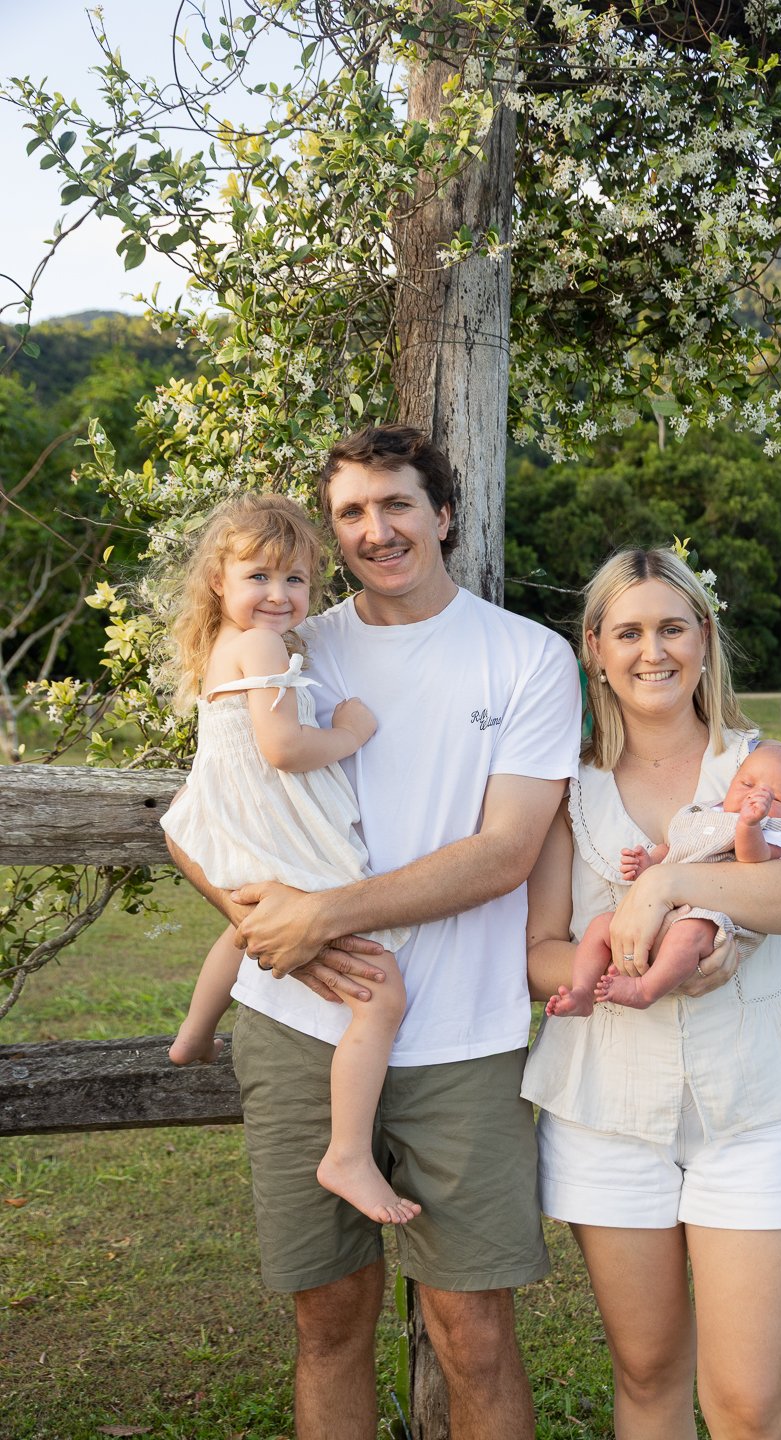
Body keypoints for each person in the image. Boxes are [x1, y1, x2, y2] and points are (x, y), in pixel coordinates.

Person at [163, 426, 583, 1440]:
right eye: (351, 512)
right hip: (300, 1021)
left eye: (396, 504)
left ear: (443, 514)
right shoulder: (290, 639)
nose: (376, 529)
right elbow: (196, 825)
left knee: (474, 1328)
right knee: (329, 1321)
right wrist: (271, 935)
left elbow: (505, 853)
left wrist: (325, 918)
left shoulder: (525, 656)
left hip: (462, 1037)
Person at [522, 545, 781, 1440]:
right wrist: (611, 968)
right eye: (627, 631)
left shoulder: (761, 770)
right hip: (606, 1107)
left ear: (704, 637)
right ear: (593, 647)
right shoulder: (566, 785)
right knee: (648, 1373)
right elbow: (539, 953)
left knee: (746, 1402)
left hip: (752, 1103)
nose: (651, 651)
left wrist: (670, 887)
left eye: (672, 627)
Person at [157, 492, 419, 1225]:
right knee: (383, 992)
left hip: (242, 830)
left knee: (244, 925)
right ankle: (347, 1153)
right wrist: (351, 732)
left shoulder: (223, 648)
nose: (278, 595)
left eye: (296, 580)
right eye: (259, 578)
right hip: (281, 831)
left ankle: (193, 1036)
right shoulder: (265, 647)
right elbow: (284, 750)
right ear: (220, 580)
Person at [548, 739, 781, 1015]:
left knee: (689, 933)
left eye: (775, 798)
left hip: (709, 922)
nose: (756, 799)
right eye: (747, 785)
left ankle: (645, 990)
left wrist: (750, 824)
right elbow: (676, 848)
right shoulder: (705, 813)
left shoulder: (780, 831)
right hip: (654, 920)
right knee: (601, 926)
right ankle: (582, 991)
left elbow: (754, 857)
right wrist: (648, 863)